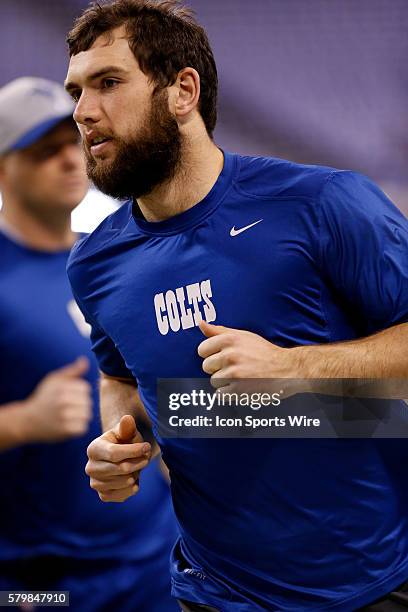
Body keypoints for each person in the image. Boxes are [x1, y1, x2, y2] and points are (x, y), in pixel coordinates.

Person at [64, 1, 408, 610]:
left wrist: (295, 368)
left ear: (182, 91)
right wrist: (119, 441)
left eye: (109, 83)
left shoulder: (325, 203)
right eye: (77, 91)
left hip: (368, 583)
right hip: (213, 589)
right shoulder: (96, 262)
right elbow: (118, 374)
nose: (84, 112)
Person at [0, 76, 178, 612]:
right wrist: (23, 421)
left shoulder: (113, 262)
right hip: (43, 584)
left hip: (156, 558)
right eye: (42, 150)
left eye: (71, 142)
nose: (68, 159)